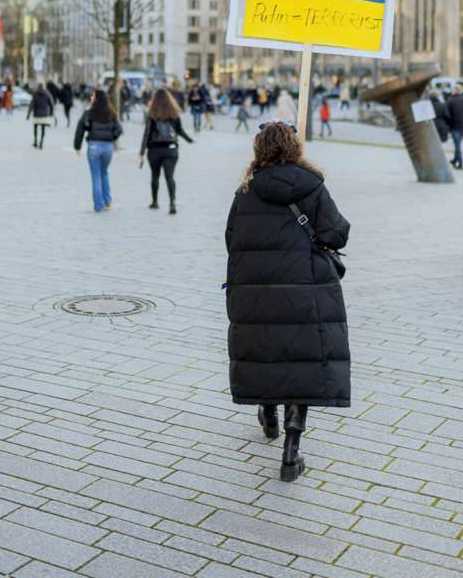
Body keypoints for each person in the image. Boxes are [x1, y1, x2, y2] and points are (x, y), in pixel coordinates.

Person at [224, 121, 350, 482]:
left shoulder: (245, 191)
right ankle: (291, 454)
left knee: (267, 349)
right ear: (294, 148)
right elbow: (335, 233)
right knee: (300, 363)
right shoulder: (313, 187)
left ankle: (268, 414)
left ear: (259, 150)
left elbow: (231, 240)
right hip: (304, 289)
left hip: (256, 290)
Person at [139, 88, 194, 214]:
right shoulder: (174, 114)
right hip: (171, 149)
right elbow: (179, 130)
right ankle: (172, 202)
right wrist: (189, 140)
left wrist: (142, 152)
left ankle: (155, 202)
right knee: (170, 177)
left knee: (155, 175)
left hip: (154, 150)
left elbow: (147, 134)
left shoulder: (152, 115)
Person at [74, 89, 123, 212]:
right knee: (104, 172)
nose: (91, 97)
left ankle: (98, 204)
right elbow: (119, 129)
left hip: (94, 146)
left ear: (96, 99)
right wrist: (112, 138)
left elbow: (80, 128)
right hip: (107, 147)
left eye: (93, 96)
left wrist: (77, 146)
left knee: (96, 175)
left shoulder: (89, 113)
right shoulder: (111, 113)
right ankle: (107, 201)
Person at [445, 86, 463, 169]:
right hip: (462, 126)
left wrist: (449, 123)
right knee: (457, 143)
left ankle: (460, 163)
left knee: (457, 145)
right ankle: (455, 159)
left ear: (454, 91)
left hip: (454, 126)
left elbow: (446, 113)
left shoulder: (450, 100)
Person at [27, 82, 55, 148]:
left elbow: (32, 104)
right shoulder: (47, 94)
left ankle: (35, 141)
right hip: (44, 114)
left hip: (36, 113)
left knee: (35, 128)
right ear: (43, 87)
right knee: (43, 129)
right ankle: (41, 143)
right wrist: (51, 113)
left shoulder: (35, 94)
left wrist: (28, 114)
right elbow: (51, 104)